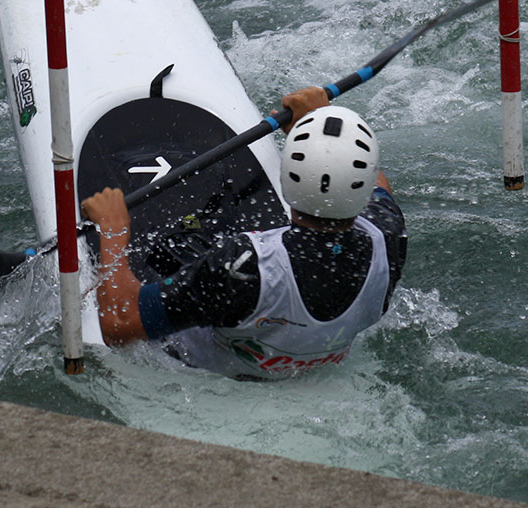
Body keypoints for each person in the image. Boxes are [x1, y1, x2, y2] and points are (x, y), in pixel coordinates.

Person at [79, 85, 406, 379]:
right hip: (304, 371)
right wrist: (322, 128)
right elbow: (377, 186)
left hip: (196, 372)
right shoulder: (388, 238)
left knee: (170, 253)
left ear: (288, 179)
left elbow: (119, 326)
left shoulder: (242, 266)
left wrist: (114, 230)